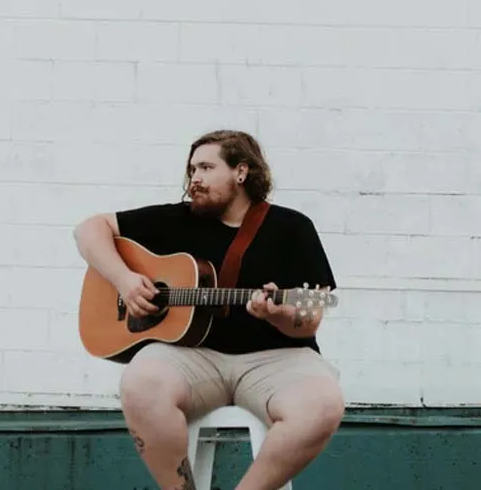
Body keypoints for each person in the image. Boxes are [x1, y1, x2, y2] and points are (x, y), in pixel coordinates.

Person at [73, 129, 344, 490]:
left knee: (323, 404)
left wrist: (277, 313)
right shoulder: (175, 219)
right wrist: (123, 279)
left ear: (241, 172)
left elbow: (308, 322)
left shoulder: (291, 228)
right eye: (192, 169)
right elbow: (88, 229)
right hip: (192, 356)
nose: (194, 179)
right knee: (141, 384)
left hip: (277, 359)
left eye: (205, 167)